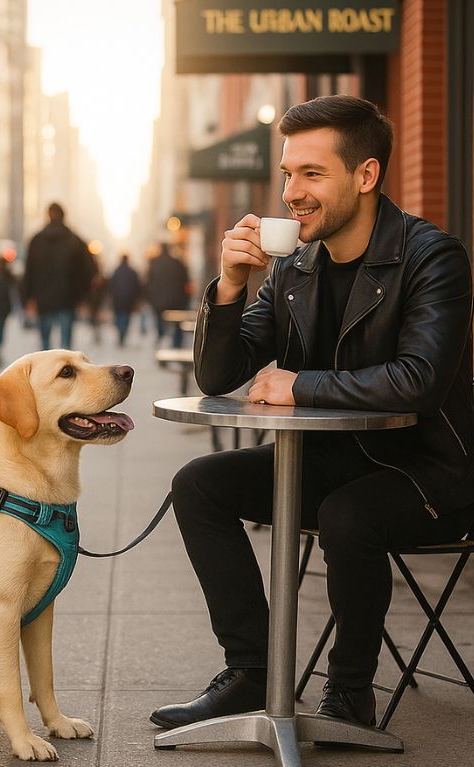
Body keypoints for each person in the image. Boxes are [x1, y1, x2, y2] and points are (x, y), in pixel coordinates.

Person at [150, 95, 474, 731]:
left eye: (312, 174)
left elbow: (421, 381)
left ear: (366, 175)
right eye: (287, 174)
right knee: (200, 484)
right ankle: (252, 675)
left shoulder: (432, 257)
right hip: (332, 461)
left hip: (430, 473)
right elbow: (219, 377)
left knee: (346, 515)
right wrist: (230, 287)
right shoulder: (294, 266)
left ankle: (348, 693)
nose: (292, 192)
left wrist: (302, 387)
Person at [21, 202, 95, 350]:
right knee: (66, 346)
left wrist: (28, 298)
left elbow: (29, 271)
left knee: (45, 345)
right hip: (67, 299)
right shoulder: (76, 241)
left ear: (48, 215)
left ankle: (46, 371)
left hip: (43, 299)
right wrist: (83, 297)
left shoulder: (36, 240)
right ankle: (67, 371)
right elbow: (89, 270)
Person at [145, 242, 190, 348]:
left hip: (158, 301)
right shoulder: (178, 263)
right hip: (176, 300)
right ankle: (176, 345)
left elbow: (148, 282)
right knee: (177, 324)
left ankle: (161, 342)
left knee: (160, 323)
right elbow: (185, 281)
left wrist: (151, 298)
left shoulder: (154, 263)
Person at [108, 253, 142, 347]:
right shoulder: (133, 272)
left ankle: (121, 333)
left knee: (119, 318)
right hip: (129, 300)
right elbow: (138, 287)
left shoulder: (116, 271)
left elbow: (111, 286)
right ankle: (123, 333)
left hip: (117, 300)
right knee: (126, 318)